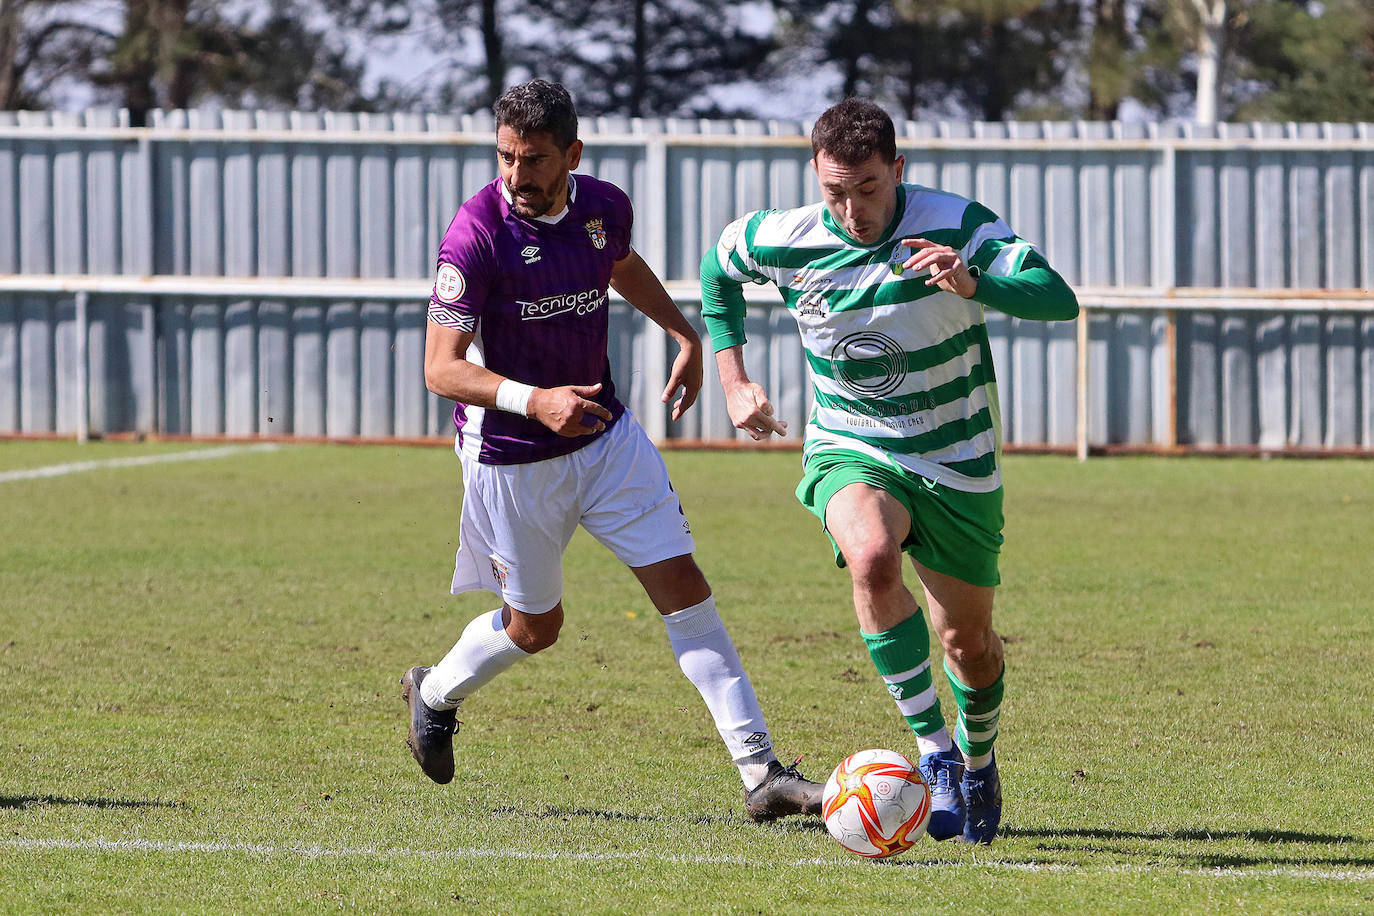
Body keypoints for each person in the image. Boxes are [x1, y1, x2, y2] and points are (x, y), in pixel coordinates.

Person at [402, 79, 821, 823]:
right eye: (504, 156)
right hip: (511, 458)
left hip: (609, 438)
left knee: (686, 592)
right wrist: (536, 400)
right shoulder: (476, 234)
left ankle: (760, 774)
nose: (515, 175)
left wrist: (685, 334)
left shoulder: (602, 205)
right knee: (537, 629)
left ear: (572, 154)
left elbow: (619, 265)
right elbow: (441, 368)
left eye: (531, 160)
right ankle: (434, 693)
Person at [699, 98, 1078, 844]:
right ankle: (933, 752)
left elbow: (1058, 299)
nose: (852, 209)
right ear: (816, 175)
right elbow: (719, 271)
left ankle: (977, 756)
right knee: (870, 558)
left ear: (897, 170)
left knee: (969, 647)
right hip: (853, 442)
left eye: (868, 188)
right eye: (835, 190)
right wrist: (733, 379)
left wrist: (974, 282)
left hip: (957, 459)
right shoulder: (783, 237)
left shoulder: (956, 223)